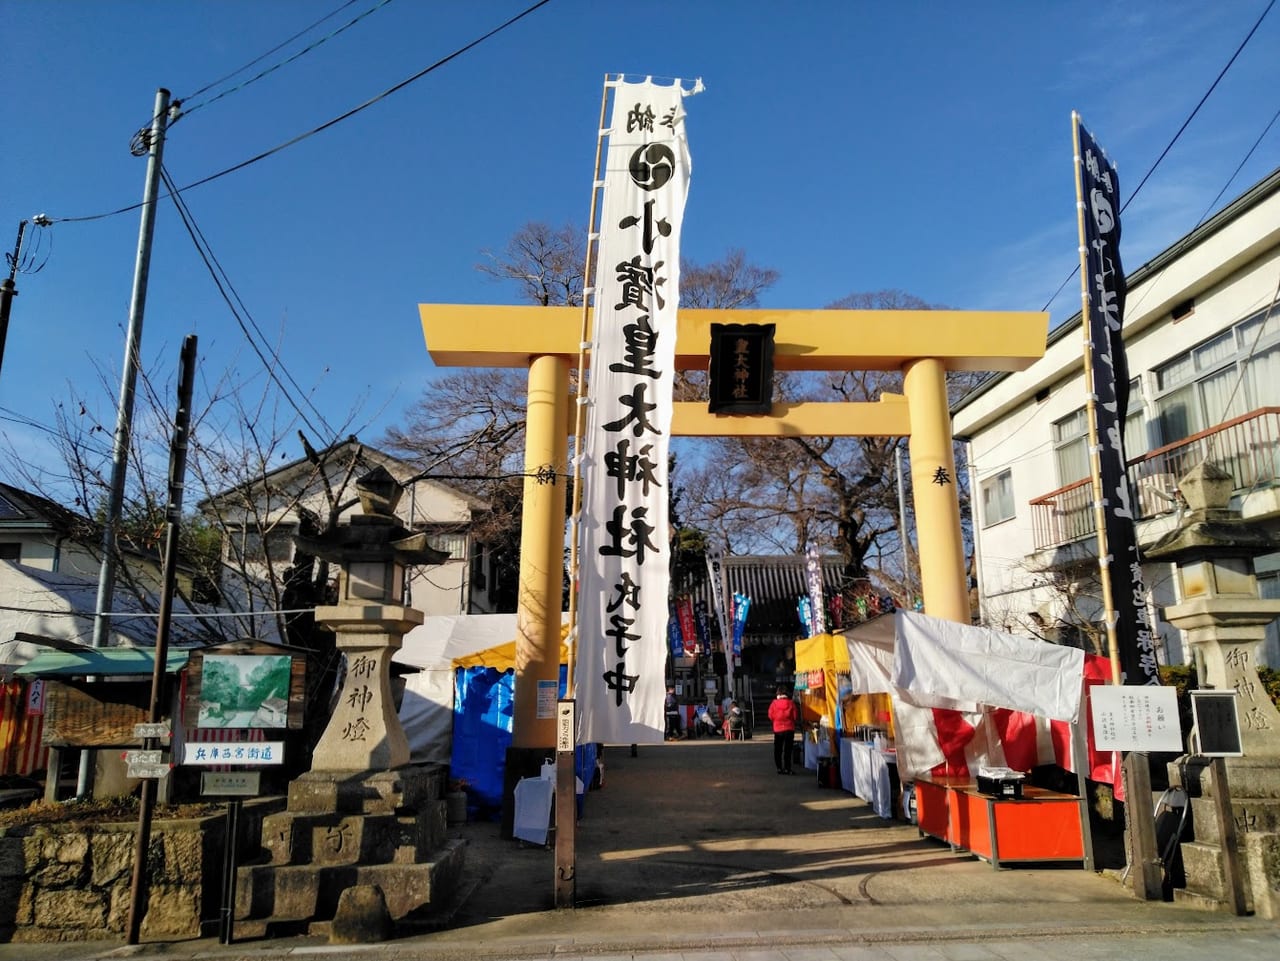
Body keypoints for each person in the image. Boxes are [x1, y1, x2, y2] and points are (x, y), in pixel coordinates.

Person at [768, 686, 799, 774]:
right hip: (789, 728)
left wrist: (776, 721)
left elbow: (770, 715)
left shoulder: (774, 703)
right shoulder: (791, 703)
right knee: (788, 750)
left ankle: (779, 767)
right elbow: (795, 716)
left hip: (778, 729)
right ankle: (787, 768)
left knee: (778, 749)